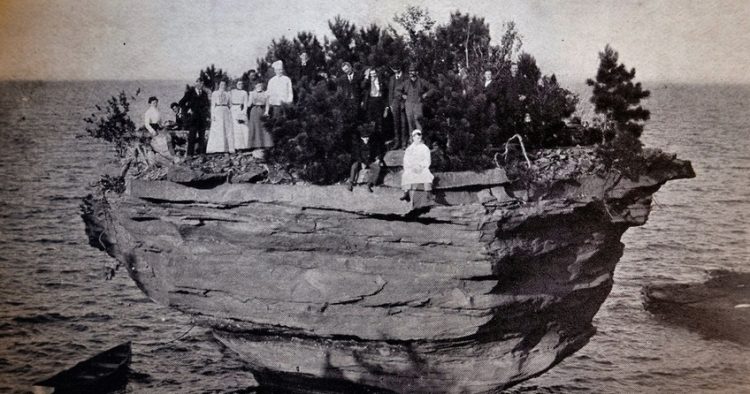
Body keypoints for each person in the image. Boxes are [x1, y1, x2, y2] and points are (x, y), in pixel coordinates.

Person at [399, 65, 436, 137]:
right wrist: (402, 95)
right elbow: (397, 90)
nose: (411, 74)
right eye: (410, 72)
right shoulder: (406, 82)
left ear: (417, 72)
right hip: (408, 105)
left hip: (418, 105)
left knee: (419, 124)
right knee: (410, 124)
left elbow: (433, 88)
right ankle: (412, 142)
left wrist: (426, 94)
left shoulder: (422, 81)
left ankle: (420, 141)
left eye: (413, 71)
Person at [400, 129, 434, 202]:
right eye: (416, 137)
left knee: (426, 173)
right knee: (406, 174)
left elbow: (427, 160)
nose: (418, 139)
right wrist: (412, 167)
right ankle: (406, 193)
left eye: (419, 137)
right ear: (413, 138)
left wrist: (420, 166)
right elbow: (406, 161)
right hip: (412, 168)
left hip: (421, 168)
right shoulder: (409, 149)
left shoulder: (425, 148)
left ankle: (428, 193)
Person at [178, 79, 210, 155]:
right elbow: (181, 103)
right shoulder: (190, 93)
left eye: (202, 84)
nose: (201, 85)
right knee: (192, 137)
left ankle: (202, 154)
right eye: (199, 83)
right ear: (196, 84)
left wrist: (207, 115)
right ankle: (190, 154)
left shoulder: (204, 94)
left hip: (202, 118)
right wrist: (187, 110)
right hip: (193, 119)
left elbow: (207, 105)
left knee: (202, 136)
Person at [206, 80, 236, 154]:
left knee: (227, 129)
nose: (223, 85)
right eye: (222, 84)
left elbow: (231, 104)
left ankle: (227, 148)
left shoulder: (228, 94)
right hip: (218, 111)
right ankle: (216, 148)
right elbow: (212, 105)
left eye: (224, 84)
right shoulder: (215, 93)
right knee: (218, 129)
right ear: (219, 85)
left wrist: (231, 112)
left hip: (226, 111)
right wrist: (212, 115)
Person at [245, 82, 273, 151]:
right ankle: (255, 145)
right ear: (255, 86)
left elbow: (267, 104)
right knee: (255, 127)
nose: (259, 86)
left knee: (263, 127)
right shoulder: (252, 93)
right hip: (254, 110)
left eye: (260, 85)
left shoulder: (266, 93)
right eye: (257, 85)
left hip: (262, 110)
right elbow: (249, 104)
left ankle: (266, 144)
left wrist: (266, 112)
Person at [361, 67, 388, 137]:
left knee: (380, 120)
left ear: (376, 73)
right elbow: (362, 86)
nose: (373, 75)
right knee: (371, 120)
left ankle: (380, 137)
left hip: (379, 100)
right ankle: (372, 137)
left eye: (374, 73)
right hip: (370, 101)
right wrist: (366, 76)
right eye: (371, 74)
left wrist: (386, 105)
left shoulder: (381, 80)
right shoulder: (368, 80)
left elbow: (385, 92)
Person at [386, 64, 408, 149]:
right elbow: (390, 92)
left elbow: (407, 90)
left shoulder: (406, 77)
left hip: (403, 102)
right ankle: (397, 142)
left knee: (403, 123)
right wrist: (390, 104)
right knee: (396, 123)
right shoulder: (391, 78)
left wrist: (405, 101)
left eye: (397, 68)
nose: (395, 70)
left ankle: (404, 143)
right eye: (393, 69)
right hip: (394, 103)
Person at [230, 80, 250, 150]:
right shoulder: (232, 92)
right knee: (235, 128)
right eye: (239, 84)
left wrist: (243, 112)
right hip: (233, 110)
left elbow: (245, 103)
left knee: (243, 127)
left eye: (241, 84)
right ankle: (235, 146)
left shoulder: (244, 92)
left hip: (241, 110)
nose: (240, 85)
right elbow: (230, 102)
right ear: (236, 84)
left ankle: (244, 146)